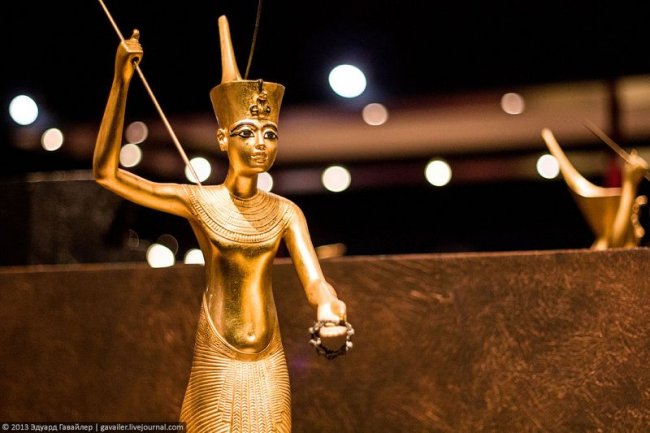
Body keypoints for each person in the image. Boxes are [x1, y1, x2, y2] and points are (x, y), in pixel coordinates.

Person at [94, 15, 351, 433]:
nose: (260, 144)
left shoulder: (286, 211)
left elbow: (315, 282)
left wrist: (328, 307)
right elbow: (107, 174)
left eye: (270, 133)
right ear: (222, 139)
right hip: (218, 356)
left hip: (268, 360)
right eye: (246, 132)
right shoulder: (201, 201)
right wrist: (121, 81)